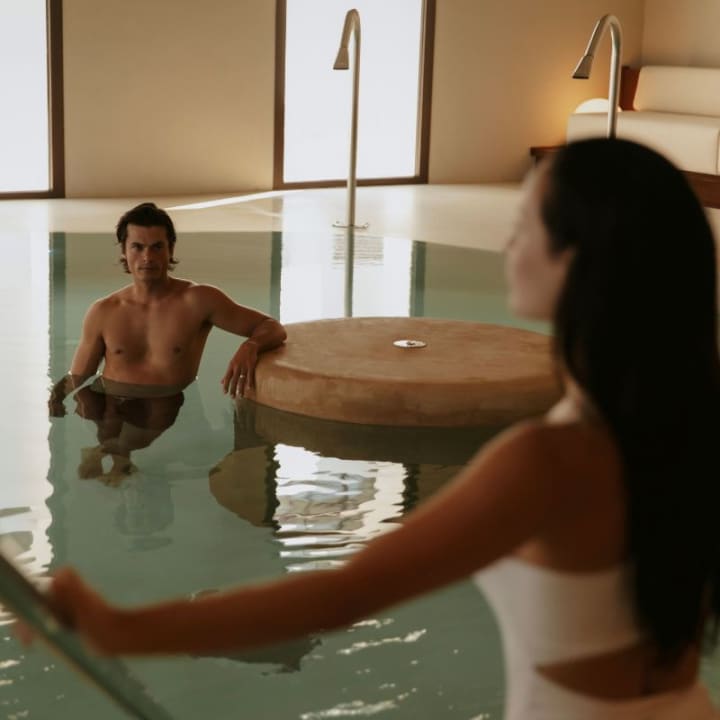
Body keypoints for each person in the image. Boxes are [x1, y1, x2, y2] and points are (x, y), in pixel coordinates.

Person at [26, 140, 720, 719]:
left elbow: (343, 594)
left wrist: (117, 627)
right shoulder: (681, 425)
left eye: (527, 224)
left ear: (577, 258)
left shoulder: (547, 459)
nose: (508, 241)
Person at [48, 202, 286, 414]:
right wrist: (57, 395)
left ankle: (118, 447)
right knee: (93, 412)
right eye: (137, 247)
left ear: (170, 249)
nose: (147, 257)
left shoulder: (198, 301)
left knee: (152, 418)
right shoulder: (103, 311)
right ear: (124, 251)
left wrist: (251, 346)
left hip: (168, 407)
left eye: (157, 247)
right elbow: (79, 375)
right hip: (109, 406)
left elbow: (272, 327)